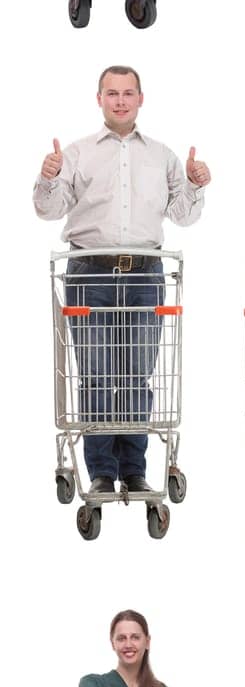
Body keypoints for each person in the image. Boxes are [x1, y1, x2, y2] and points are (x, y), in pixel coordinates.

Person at [35, 66, 210, 495]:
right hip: (89, 273)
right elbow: (48, 209)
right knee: (94, 374)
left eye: (127, 93)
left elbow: (184, 215)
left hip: (145, 274)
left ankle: (133, 469)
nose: (119, 100)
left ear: (140, 99)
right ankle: (99, 472)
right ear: (99, 99)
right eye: (111, 93)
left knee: (136, 374)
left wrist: (195, 183)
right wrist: (48, 176)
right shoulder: (76, 153)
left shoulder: (162, 155)